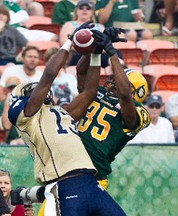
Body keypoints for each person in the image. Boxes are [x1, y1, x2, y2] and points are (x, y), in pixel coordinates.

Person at [8, 23, 126, 215]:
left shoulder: (63, 114)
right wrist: (70, 41)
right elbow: (48, 75)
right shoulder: (27, 118)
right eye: (30, 91)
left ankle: (25, 194)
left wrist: (96, 53)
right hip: (63, 184)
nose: (37, 90)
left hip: (90, 180)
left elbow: (90, 91)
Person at [77, 27, 151, 189]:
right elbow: (81, 72)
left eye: (119, 80)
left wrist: (112, 53)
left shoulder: (139, 113)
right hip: (70, 166)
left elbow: (125, 96)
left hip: (93, 177)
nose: (112, 82)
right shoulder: (97, 93)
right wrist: (95, 48)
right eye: (113, 78)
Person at [0, 76, 24, 145]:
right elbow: (6, 126)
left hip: (28, 141)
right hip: (9, 143)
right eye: (10, 88)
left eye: (16, 88)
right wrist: (8, 103)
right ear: (5, 90)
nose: (13, 91)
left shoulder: (28, 103)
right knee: (15, 143)